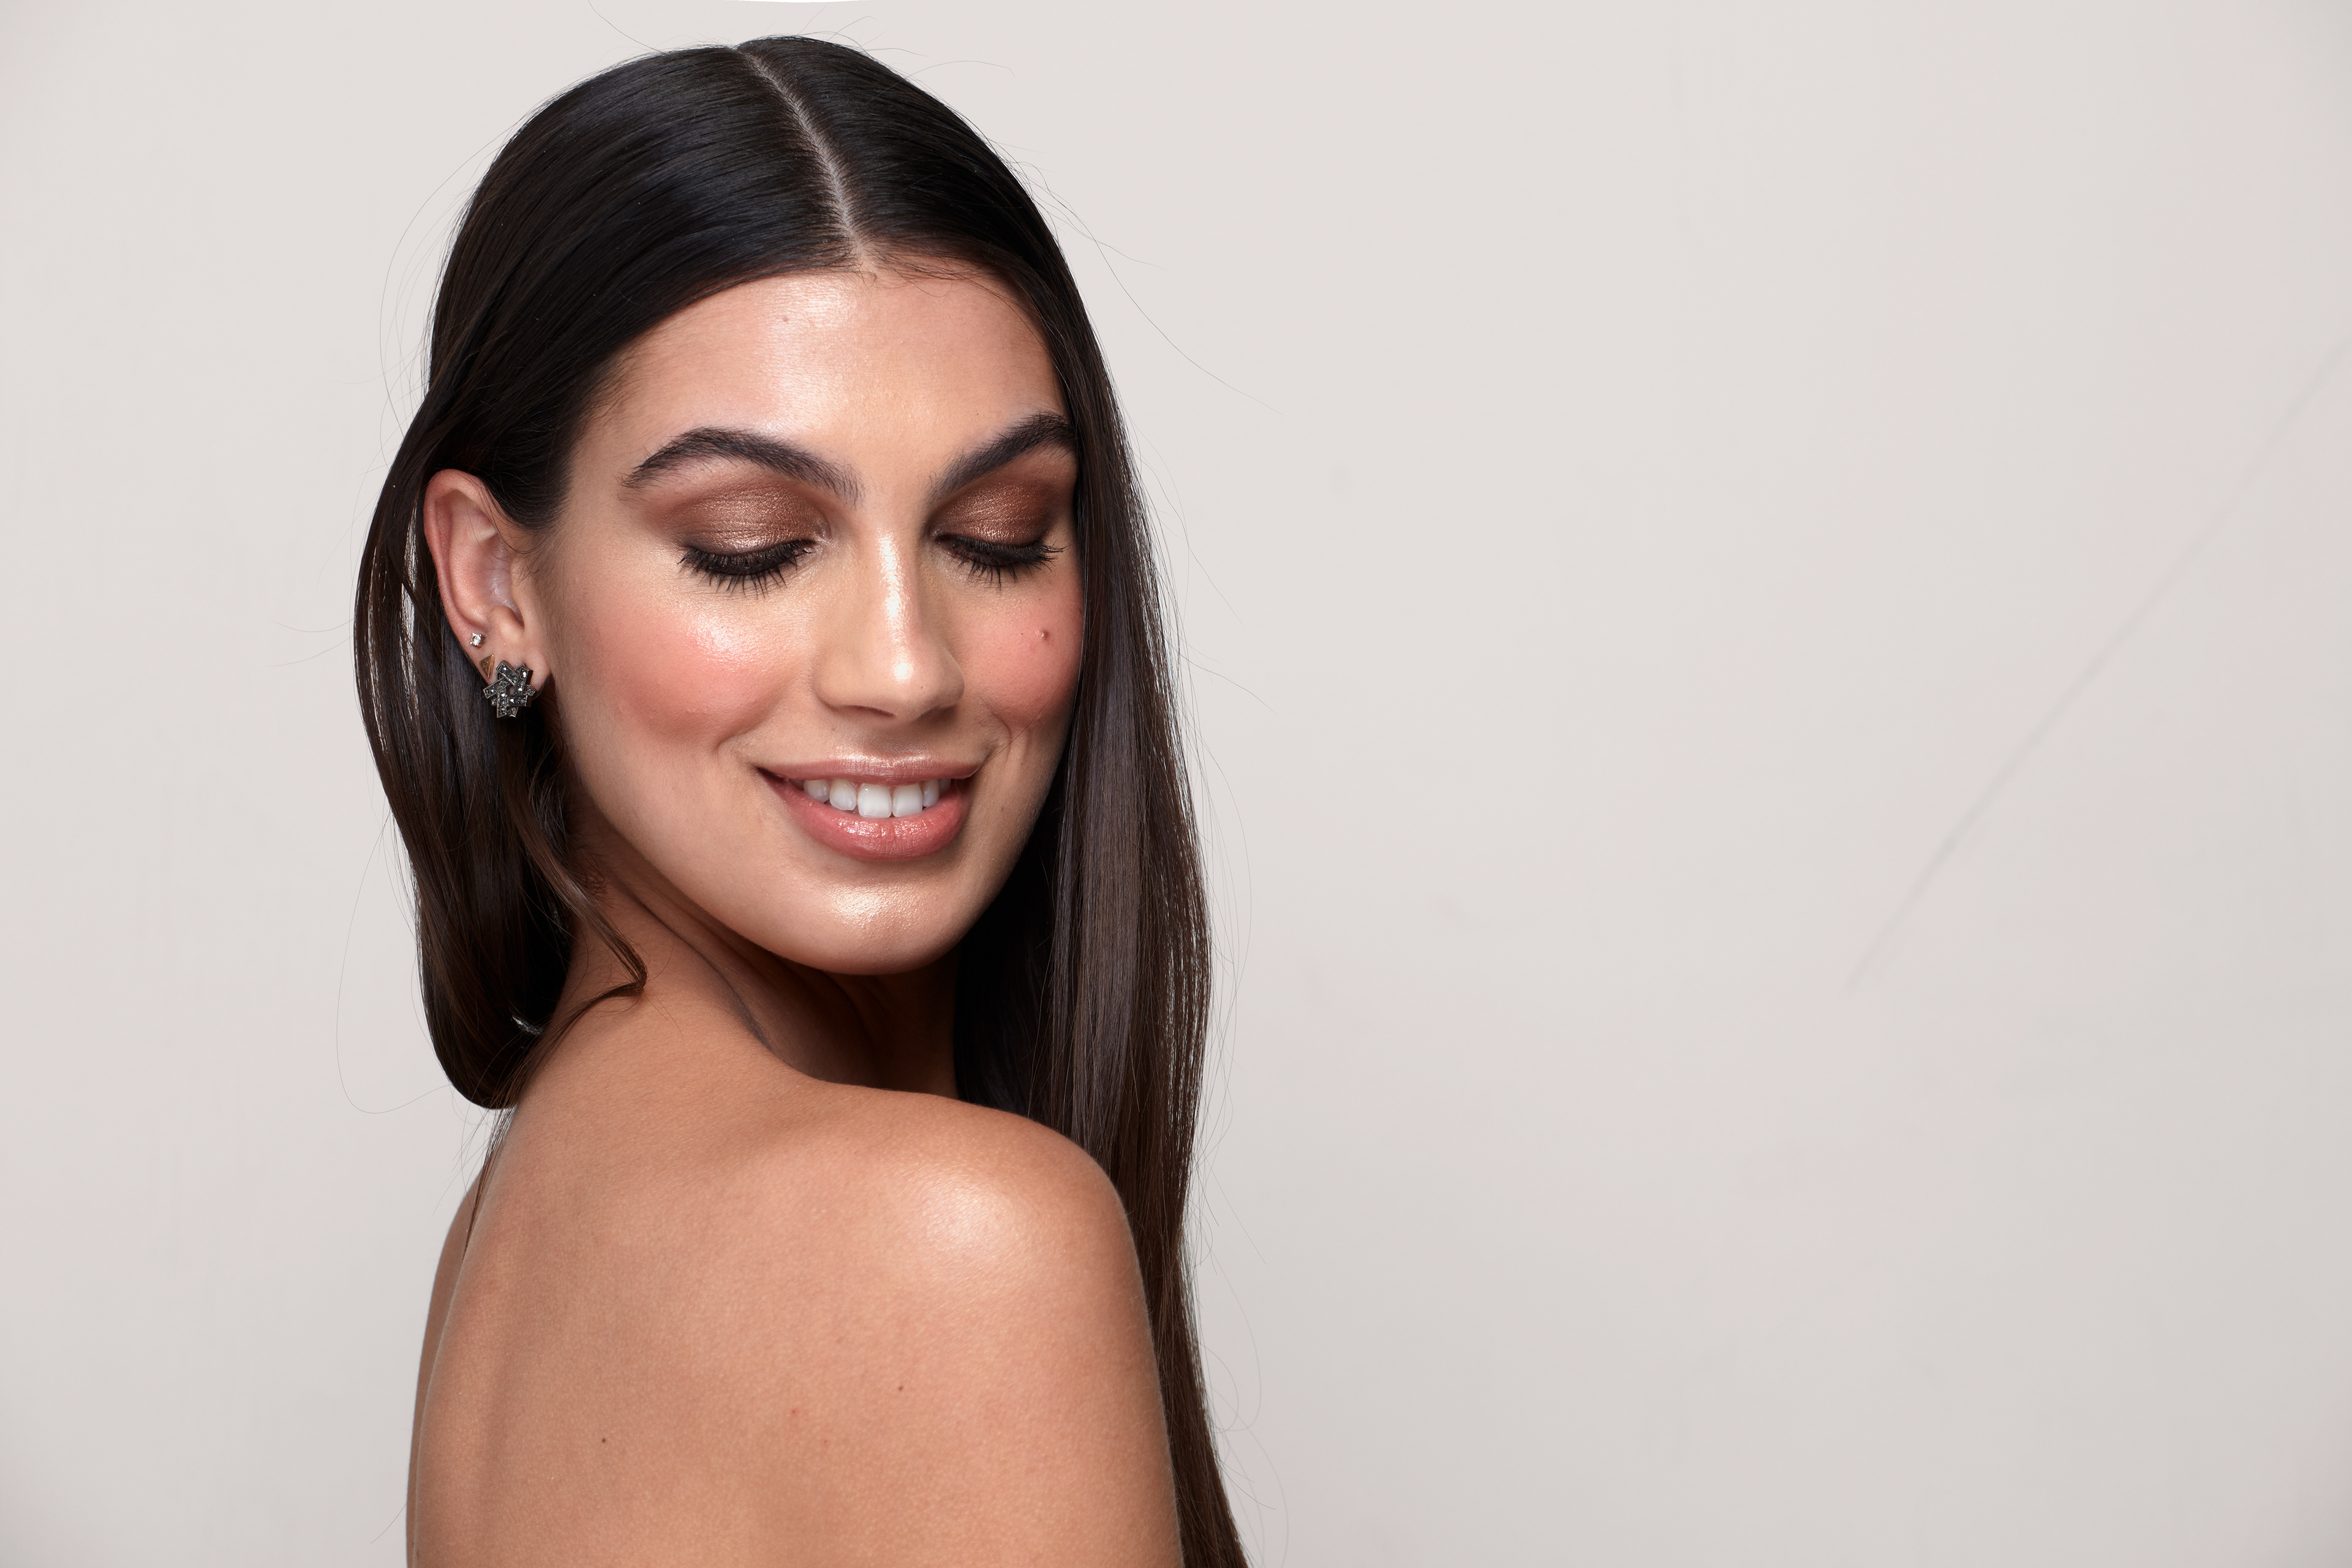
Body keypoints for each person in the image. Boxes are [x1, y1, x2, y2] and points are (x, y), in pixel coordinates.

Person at [353, 36, 1243, 1565]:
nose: (905, 667)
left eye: (997, 533)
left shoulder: (520, 1227)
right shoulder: (956, 1241)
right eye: (753, 545)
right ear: (495, 584)